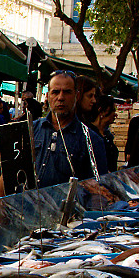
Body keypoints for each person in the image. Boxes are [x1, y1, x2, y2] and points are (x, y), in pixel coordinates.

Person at [31, 72, 113, 203]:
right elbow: (6, 182)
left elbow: (98, 191)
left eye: (67, 92)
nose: (61, 97)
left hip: (69, 219)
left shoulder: (91, 140)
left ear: (76, 95)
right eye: (55, 92)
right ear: (47, 96)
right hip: (28, 216)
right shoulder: (29, 131)